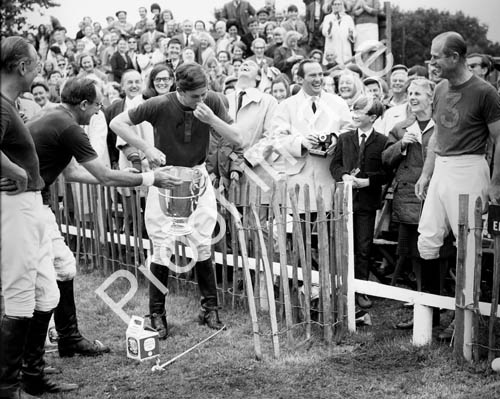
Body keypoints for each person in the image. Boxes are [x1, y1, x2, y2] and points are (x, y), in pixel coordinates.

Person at [109, 63, 244, 337]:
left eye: (204, 94)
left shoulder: (213, 101)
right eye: (195, 96)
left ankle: (210, 309)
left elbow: (239, 138)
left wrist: (212, 120)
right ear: (179, 90)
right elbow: (116, 123)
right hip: (165, 177)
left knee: (204, 242)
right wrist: (146, 147)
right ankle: (156, 315)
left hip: (198, 176)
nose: (201, 100)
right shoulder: (159, 104)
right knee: (162, 245)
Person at [0, 35, 78, 398]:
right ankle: (7, 386)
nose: (40, 69)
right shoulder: (1, 105)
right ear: (22, 66)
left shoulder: (12, 103)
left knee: (47, 293)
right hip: (16, 209)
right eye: (36, 63)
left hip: (31, 208)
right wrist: (14, 171)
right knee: (19, 296)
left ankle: (32, 376)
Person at [415, 32, 500, 338]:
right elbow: (437, 134)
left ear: (454, 57)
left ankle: (466, 320)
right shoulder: (439, 88)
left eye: (436, 56)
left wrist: (495, 184)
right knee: (427, 238)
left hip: (469, 167)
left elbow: (499, 138)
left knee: (467, 244)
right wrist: (426, 174)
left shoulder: (485, 92)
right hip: (442, 168)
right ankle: (431, 315)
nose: (431, 61)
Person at [382, 78, 436, 327]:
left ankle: (436, 312)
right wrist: (401, 145)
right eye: (410, 93)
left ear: (431, 97)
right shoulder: (401, 127)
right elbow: (384, 159)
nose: (412, 97)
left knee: (436, 255)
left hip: (436, 199)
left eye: (418, 93)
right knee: (414, 255)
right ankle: (421, 312)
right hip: (409, 201)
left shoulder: (442, 127)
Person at [330, 95, 389, 308]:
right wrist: (344, 176)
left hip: (366, 203)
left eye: (359, 112)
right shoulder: (345, 138)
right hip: (344, 202)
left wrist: (367, 182)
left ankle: (361, 290)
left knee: (363, 247)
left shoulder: (383, 141)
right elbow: (334, 165)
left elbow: (385, 173)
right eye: (352, 110)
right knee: (344, 245)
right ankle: (343, 286)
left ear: (372, 117)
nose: (354, 115)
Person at [322, 0, 355, 67]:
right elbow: (325, 32)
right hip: (332, 45)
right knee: (332, 66)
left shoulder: (348, 18)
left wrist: (351, 35)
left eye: (339, 4)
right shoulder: (328, 18)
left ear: (343, 5)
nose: (337, 6)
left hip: (344, 46)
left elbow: (353, 31)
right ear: (332, 6)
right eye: (335, 4)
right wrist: (330, 27)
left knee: (346, 66)